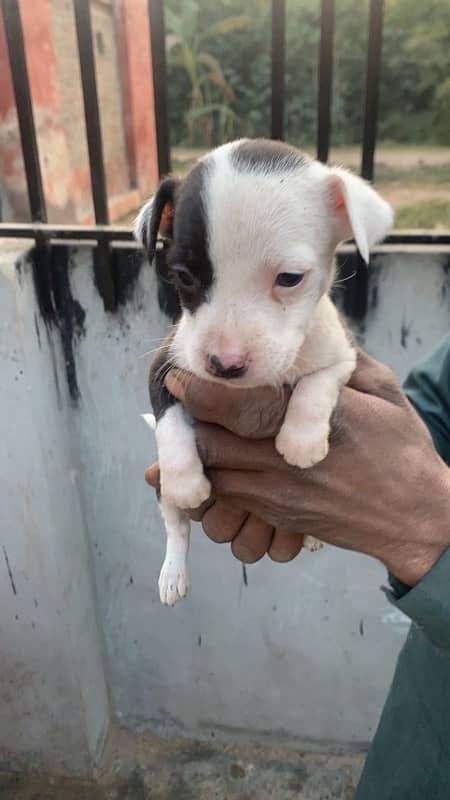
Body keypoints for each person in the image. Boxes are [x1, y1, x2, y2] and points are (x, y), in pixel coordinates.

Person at [145, 336, 450, 800]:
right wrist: (361, 428)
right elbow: (432, 409)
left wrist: (425, 520)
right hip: (420, 732)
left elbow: (417, 492)